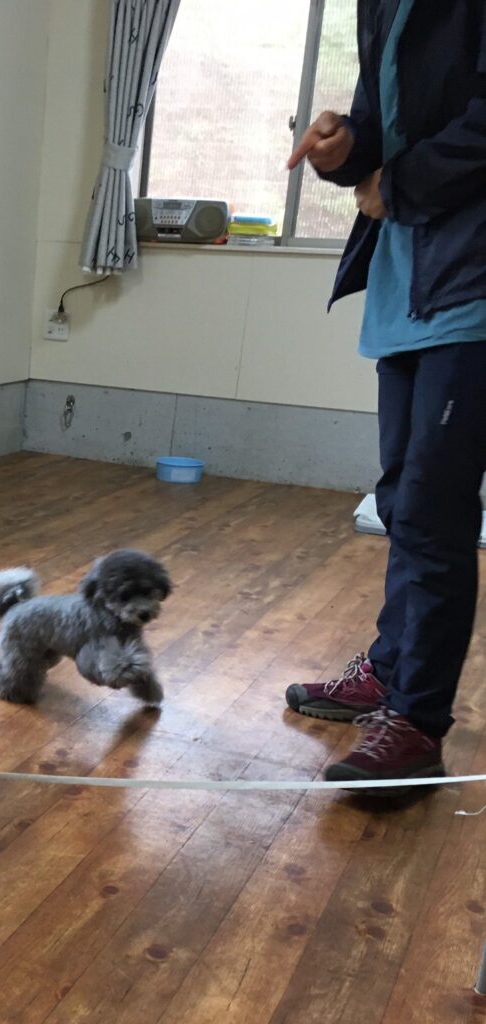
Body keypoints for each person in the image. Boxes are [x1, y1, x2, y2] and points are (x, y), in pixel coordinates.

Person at [284, 0, 486, 785]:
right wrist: (344, 147)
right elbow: (382, 122)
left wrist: (396, 184)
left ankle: (417, 720)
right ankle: (391, 669)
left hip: (470, 290)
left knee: (434, 512)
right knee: (402, 501)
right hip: (406, 286)